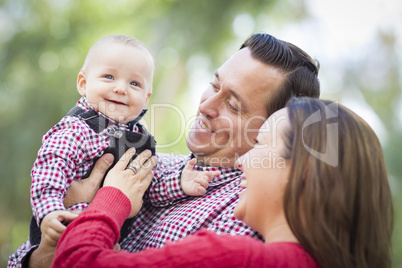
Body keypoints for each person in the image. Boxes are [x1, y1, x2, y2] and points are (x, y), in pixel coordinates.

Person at [9, 33, 320, 267]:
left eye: (233, 105)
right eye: (214, 85)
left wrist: (106, 200)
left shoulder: (246, 215)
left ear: (273, 125)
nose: (206, 106)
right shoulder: (160, 164)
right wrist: (42, 250)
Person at [52, 97, 393, 267]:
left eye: (259, 145)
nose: (243, 161)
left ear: (300, 173)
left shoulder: (233, 256)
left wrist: (112, 196)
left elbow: (76, 261)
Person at [8, 34, 218, 268]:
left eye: (134, 84)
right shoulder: (76, 130)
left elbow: (146, 186)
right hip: (61, 232)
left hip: (104, 245)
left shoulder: (141, 139)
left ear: (146, 97)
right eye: (109, 77)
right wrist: (50, 212)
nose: (120, 89)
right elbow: (48, 173)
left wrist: (179, 183)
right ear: (83, 83)